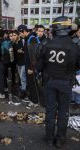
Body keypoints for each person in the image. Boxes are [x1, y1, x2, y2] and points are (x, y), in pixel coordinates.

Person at [37, 16, 80, 148]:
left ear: (55, 29)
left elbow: (38, 67)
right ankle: (60, 139)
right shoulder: (75, 46)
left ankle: (49, 139)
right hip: (66, 83)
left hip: (50, 82)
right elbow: (77, 66)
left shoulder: (45, 44)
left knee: (50, 111)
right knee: (63, 112)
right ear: (68, 29)